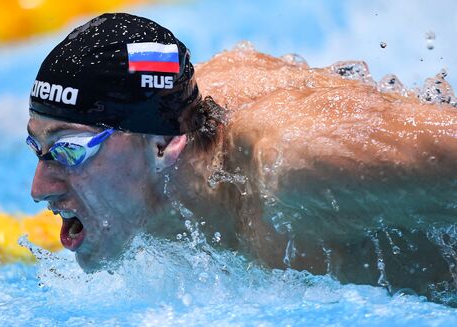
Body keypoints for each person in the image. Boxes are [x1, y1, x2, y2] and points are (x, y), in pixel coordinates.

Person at [26, 13, 457, 300]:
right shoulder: (170, 134)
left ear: (161, 145)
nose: (39, 188)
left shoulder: (298, 166)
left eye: (68, 150)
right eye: (39, 148)